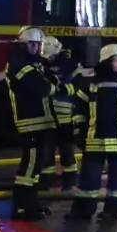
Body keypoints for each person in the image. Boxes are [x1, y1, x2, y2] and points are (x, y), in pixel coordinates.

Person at [68, 44, 117, 222]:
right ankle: (83, 211)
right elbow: (78, 111)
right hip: (95, 140)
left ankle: (113, 211)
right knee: (89, 179)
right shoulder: (89, 83)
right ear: (106, 61)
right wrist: (78, 132)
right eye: (115, 61)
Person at [8, 26, 58, 220]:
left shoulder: (32, 63)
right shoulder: (20, 65)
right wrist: (54, 85)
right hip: (30, 122)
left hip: (40, 121)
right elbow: (43, 87)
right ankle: (22, 206)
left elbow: (48, 80)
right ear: (22, 45)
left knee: (35, 167)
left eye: (38, 44)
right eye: (32, 44)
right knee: (29, 168)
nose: (36, 48)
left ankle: (31, 203)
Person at [42, 36, 82, 193]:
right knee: (46, 156)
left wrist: (64, 89)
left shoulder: (70, 65)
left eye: (51, 55)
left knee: (67, 154)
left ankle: (69, 184)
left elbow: (79, 85)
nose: (49, 58)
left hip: (66, 119)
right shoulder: (40, 65)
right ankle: (45, 185)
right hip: (47, 119)